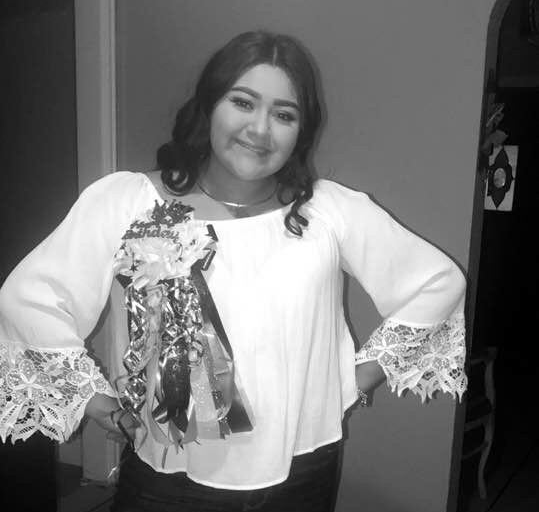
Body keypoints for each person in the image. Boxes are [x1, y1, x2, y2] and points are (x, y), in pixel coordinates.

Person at [0, 30, 467, 512]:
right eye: (243, 103)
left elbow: (438, 282)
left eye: (284, 115)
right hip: (170, 478)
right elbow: (29, 300)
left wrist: (356, 379)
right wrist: (95, 400)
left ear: (301, 131)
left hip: (304, 470)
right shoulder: (127, 202)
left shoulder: (329, 210)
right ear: (209, 106)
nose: (260, 130)